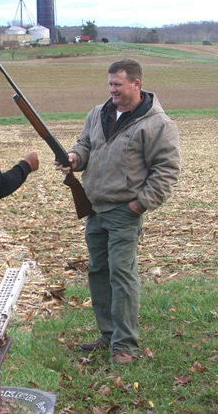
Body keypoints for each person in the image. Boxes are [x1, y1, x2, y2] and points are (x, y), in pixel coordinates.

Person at [55, 59, 181, 365]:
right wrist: (73, 158)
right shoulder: (98, 114)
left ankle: (125, 346)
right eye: (110, 84)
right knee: (98, 272)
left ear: (136, 84)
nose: (112, 89)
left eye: (118, 84)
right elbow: (85, 145)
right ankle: (108, 335)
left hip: (124, 212)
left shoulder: (157, 124)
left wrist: (140, 204)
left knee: (122, 276)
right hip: (95, 208)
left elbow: (167, 170)